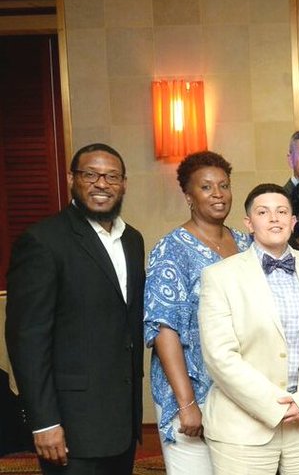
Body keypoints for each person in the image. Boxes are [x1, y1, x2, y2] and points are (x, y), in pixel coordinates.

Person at [6, 144, 145, 473]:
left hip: (121, 421)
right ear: (72, 179)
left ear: (123, 184)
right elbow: (27, 339)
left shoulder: (132, 239)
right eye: (91, 175)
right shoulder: (43, 240)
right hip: (70, 425)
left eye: (112, 177)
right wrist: (44, 421)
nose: (102, 184)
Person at [198, 183, 299, 474]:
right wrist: (273, 406)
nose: (274, 218)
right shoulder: (219, 277)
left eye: (282, 211)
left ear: (293, 221)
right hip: (242, 429)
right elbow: (219, 355)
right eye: (263, 212)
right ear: (249, 223)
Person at [145, 151, 253, 473]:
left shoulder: (247, 244)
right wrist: (187, 403)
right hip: (192, 390)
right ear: (189, 196)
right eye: (206, 187)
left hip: (239, 391)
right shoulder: (171, 249)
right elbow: (164, 329)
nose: (218, 194)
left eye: (224, 185)